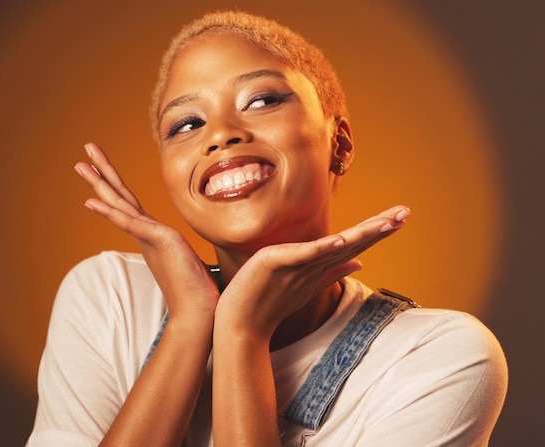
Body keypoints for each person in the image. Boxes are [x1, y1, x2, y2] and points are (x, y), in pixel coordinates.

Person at [26, 10, 507, 447]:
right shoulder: (109, 298)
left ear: (338, 143)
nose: (220, 134)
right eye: (186, 125)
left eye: (261, 100)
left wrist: (242, 334)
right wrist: (192, 321)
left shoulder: (439, 358)